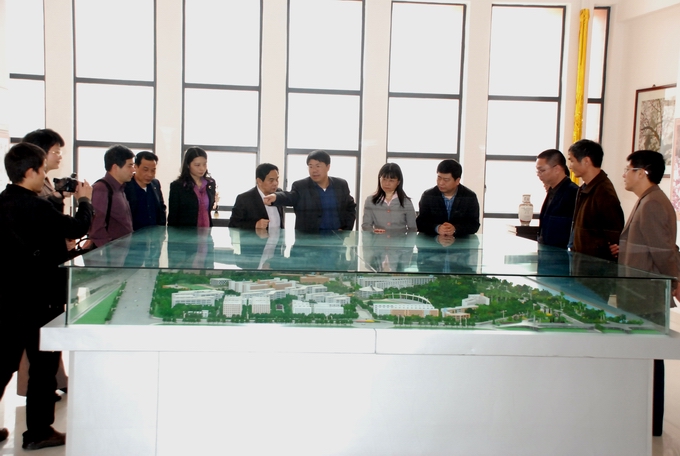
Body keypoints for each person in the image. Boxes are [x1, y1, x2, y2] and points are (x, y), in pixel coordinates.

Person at [0, 142, 93, 450]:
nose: (45, 176)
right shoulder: (36, 206)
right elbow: (78, 227)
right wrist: (84, 201)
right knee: (43, 368)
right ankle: (39, 432)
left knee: (3, 364)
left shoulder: (3, 201)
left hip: (9, 297)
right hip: (41, 298)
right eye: (42, 170)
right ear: (30, 172)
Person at [609, 150, 679, 437]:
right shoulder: (647, 200)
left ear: (643, 172)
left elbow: (664, 252)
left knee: (650, 356)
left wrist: (676, 282)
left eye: (628, 169)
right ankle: (642, 415)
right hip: (638, 290)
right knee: (644, 356)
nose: (624, 174)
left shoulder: (653, 204)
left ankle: (651, 422)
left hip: (647, 293)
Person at [264, 150, 356, 232]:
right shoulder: (301, 186)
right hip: (308, 240)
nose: (314, 170)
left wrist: (346, 228)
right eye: (310, 166)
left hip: (336, 240)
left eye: (318, 166)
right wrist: (276, 197)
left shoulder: (340, 185)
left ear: (328, 167)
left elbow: (350, 207)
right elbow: (290, 196)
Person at [567, 139, 624, 261]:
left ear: (586, 161)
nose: (570, 166)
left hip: (596, 266)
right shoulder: (584, 188)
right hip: (582, 262)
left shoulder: (604, 192)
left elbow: (614, 237)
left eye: (572, 161)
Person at [416, 159, 480, 238]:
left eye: (446, 180)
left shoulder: (469, 197)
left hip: (461, 242)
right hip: (433, 242)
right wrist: (437, 228)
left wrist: (455, 229)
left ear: (457, 181)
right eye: (439, 178)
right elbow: (420, 223)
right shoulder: (428, 196)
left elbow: (474, 225)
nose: (441, 183)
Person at [87, 145, 135, 248]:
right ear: (115, 167)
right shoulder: (102, 189)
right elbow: (97, 228)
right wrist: (110, 250)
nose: (133, 170)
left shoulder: (120, 188)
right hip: (111, 252)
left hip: (123, 250)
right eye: (129, 166)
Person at [535, 149, 578, 248]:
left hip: (561, 252)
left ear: (557, 169)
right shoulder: (552, 190)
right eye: (537, 171)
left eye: (542, 170)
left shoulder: (573, 192)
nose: (538, 174)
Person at [22, 129, 69, 211]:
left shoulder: (44, 180)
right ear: (40, 152)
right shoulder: (31, 185)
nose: (60, 157)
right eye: (57, 152)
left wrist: (59, 196)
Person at [168, 147, 216, 227]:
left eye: (204, 164)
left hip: (206, 230)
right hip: (185, 232)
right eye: (197, 165)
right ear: (188, 165)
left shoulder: (210, 184)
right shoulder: (177, 186)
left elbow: (209, 208)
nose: (202, 168)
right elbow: (173, 216)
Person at [361, 163, 416, 233]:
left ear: (398, 182)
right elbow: (366, 225)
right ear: (379, 179)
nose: (387, 183)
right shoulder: (370, 201)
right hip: (378, 239)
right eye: (384, 179)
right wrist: (373, 231)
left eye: (391, 180)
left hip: (400, 240)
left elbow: (413, 228)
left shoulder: (406, 202)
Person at [229, 163, 284, 231]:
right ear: (259, 181)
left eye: (277, 179)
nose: (275, 183)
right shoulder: (244, 199)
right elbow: (233, 224)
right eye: (271, 180)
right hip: (257, 238)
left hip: (279, 237)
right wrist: (255, 225)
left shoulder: (279, 194)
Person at [124, 151, 167, 230]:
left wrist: (161, 228)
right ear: (135, 167)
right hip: (134, 234)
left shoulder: (155, 184)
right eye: (145, 170)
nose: (150, 174)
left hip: (155, 234)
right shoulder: (126, 186)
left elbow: (161, 208)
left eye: (153, 170)